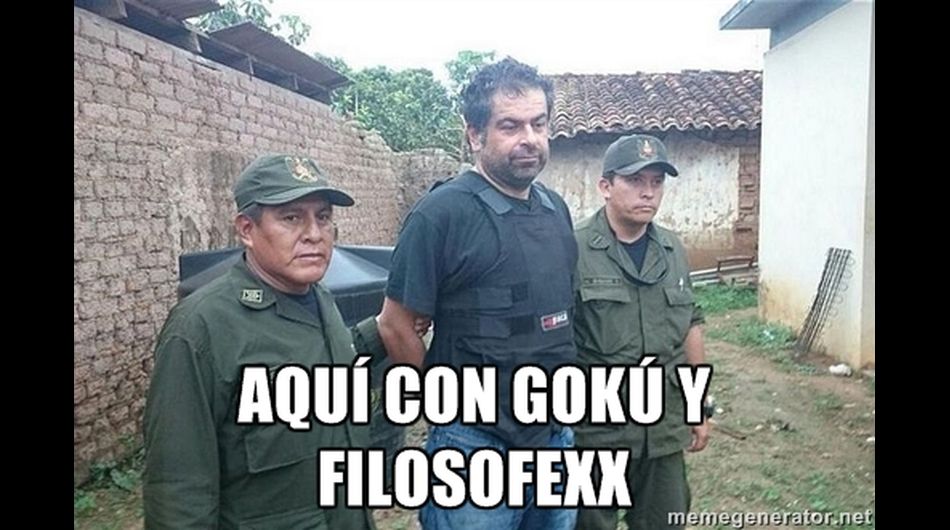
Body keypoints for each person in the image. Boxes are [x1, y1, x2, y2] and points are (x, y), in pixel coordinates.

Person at [377, 57, 579, 530]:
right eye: (510, 126)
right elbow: (394, 324)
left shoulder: (555, 210)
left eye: (538, 124)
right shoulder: (440, 214)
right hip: (473, 445)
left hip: (553, 437)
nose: (529, 138)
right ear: (474, 134)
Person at [143, 154, 386, 529]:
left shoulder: (318, 297)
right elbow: (178, 488)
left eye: (323, 217)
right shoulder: (201, 327)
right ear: (246, 229)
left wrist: (381, 330)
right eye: (291, 218)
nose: (314, 234)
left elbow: (318, 362)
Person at [572, 134, 711, 530]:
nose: (648, 192)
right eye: (635, 181)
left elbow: (690, 325)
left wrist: (698, 406)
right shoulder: (572, 248)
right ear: (605, 186)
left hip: (663, 428)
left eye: (657, 182)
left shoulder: (672, 249)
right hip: (596, 432)